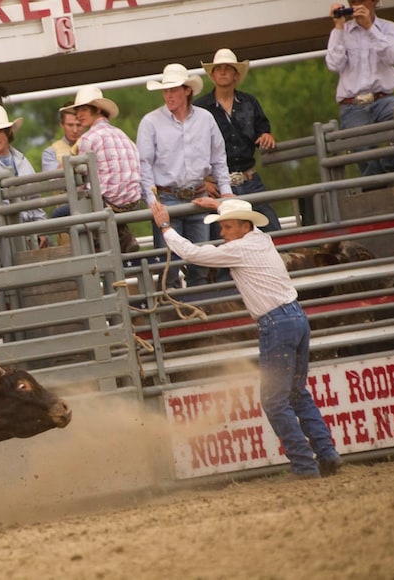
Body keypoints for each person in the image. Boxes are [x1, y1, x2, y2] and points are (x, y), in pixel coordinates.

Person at [151, 198, 342, 479]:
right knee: (296, 393)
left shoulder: (238, 249)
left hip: (276, 324)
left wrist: (165, 227)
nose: (222, 233)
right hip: (296, 318)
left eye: (227, 227)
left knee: (275, 400)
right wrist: (219, 204)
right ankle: (327, 454)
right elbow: (236, 224)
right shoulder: (261, 239)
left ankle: (304, 465)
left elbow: (192, 253)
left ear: (243, 227)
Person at [138, 63, 233, 288]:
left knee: (199, 264)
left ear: (187, 90)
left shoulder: (205, 119)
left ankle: (197, 310)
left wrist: (226, 193)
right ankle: (177, 314)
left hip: (197, 196)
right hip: (167, 198)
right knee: (169, 266)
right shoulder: (151, 122)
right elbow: (144, 166)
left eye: (173, 90)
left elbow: (219, 158)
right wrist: (154, 203)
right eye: (165, 90)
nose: (168, 95)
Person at [195, 48, 282, 234]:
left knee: (273, 230)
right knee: (219, 236)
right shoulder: (200, 108)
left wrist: (267, 135)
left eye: (228, 68)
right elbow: (191, 148)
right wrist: (203, 181)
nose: (223, 72)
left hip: (249, 178)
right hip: (216, 184)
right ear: (212, 75)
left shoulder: (249, 102)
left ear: (236, 74)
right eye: (219, 68)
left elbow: (262, 129)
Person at [325, 0, 394, 176]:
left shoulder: (388, 28)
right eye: (353, 1)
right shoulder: (342, 31)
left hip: (384, 99)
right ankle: (376, 184)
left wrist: (370, 28)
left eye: (362, 0)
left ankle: (390, 170)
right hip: (352, 105)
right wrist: (338, 26)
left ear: (374, 2)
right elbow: (333, 64)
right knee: (364, 154)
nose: (357, 5)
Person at [57, 87, 143, 253]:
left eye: (83, 109)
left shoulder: (88, 139)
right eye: (77, 111)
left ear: (97, 109)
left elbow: (82, 180)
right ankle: (121, 236)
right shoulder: (121, 134)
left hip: (107, 202)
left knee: (60, 214)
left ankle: (89, 251)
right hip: (133, 201)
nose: (79, 115)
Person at [41, 107, 84, 173]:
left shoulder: (93, 144)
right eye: (70, 125)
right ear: (62, 125)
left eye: (79, 125)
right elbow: (52, 177)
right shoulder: (50, 152)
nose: (75, 130)